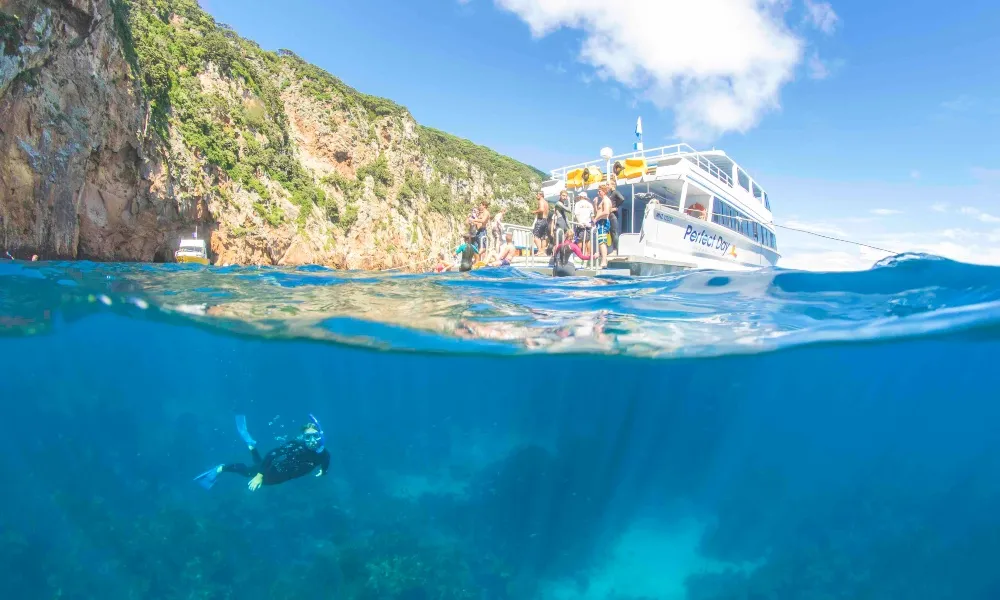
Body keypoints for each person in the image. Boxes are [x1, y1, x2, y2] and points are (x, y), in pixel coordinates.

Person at [194, 415, 330, 492]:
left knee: (258, 464)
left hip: (282, 476)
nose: (312, 440)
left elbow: (326, 459)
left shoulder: (323, 453)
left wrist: (324, 471)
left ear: (320, 436)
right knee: (249, 472)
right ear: (303, 438)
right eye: (308, 437)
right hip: (271, 471)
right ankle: (222, 468)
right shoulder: (296, 446)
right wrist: (259, 476)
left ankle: (251, 445)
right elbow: (271, 455)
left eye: (315, 436)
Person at [593, 186, 613, 269]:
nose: (598, 193)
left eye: (599, 191)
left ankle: (604, 261)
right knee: (601, 241)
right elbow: (598, 212)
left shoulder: (606, 200)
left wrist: (596, 219)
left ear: (604, 192)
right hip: (600, 222)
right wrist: (595, 204)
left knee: (602, 242)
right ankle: (603, 261)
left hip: (603, 222)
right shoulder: (602, 201)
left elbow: (606, 212)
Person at [573, 192, 595, 256]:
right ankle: (588, 254)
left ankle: (579, 254)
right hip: (588, 224)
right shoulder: (590, 205)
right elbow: (592, 216)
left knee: (579, 240)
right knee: (588, 240)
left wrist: (579, 222)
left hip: (581, 224)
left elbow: (576, 214)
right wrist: (593, 224)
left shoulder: (578, 204)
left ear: (581, 197)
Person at [607, 180, 625, 253]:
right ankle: (612, 249)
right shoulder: (610, 194)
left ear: (612, 185)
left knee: (614, 232)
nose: (607, 186)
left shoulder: (615, 192)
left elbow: (622, 199)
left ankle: (615, 250)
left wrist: (615, 207)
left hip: (613, 215)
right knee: (611, 232)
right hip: (610, 215)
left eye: (608, 184)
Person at [531, 192, 550, 257]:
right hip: (545, 220)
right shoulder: (546, 202)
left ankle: (540, 251)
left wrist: (535, 211)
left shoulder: (541, 201)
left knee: (535, 237)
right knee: (543, 237)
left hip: (541, 220)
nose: (536, 196)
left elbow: (541, 209)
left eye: (537, 195)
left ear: (541, 195)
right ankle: (543, 252)